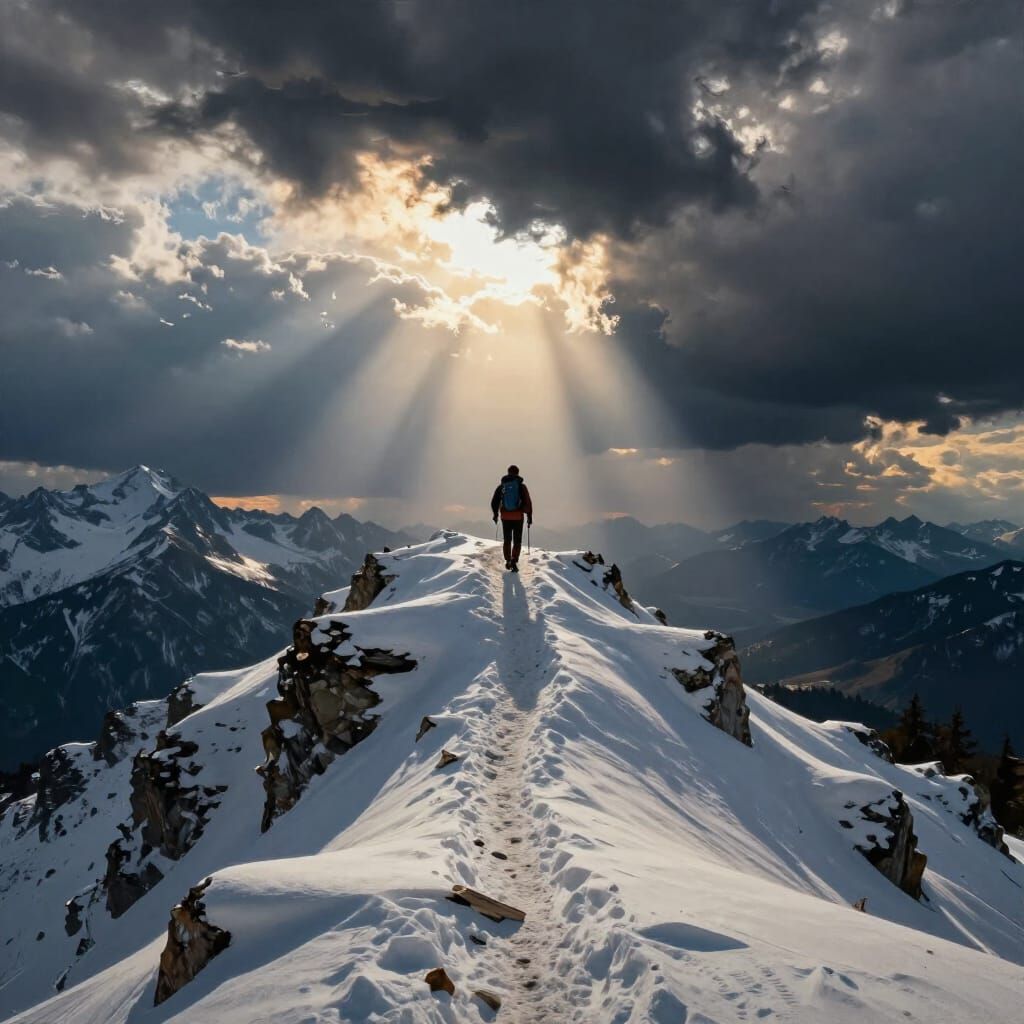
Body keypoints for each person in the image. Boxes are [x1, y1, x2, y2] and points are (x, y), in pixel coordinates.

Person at [491, 465, 533, 572]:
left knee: (507, 539)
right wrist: (529, 516)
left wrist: (495, 514)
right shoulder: (521, 486)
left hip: (505, 516)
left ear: (508, 472)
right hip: (518, 516)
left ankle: (508, 559)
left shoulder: (502, 486)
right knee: (517, 540)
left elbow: (494, 501)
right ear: (518, 473)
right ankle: (514, 560)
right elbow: (528, 502)